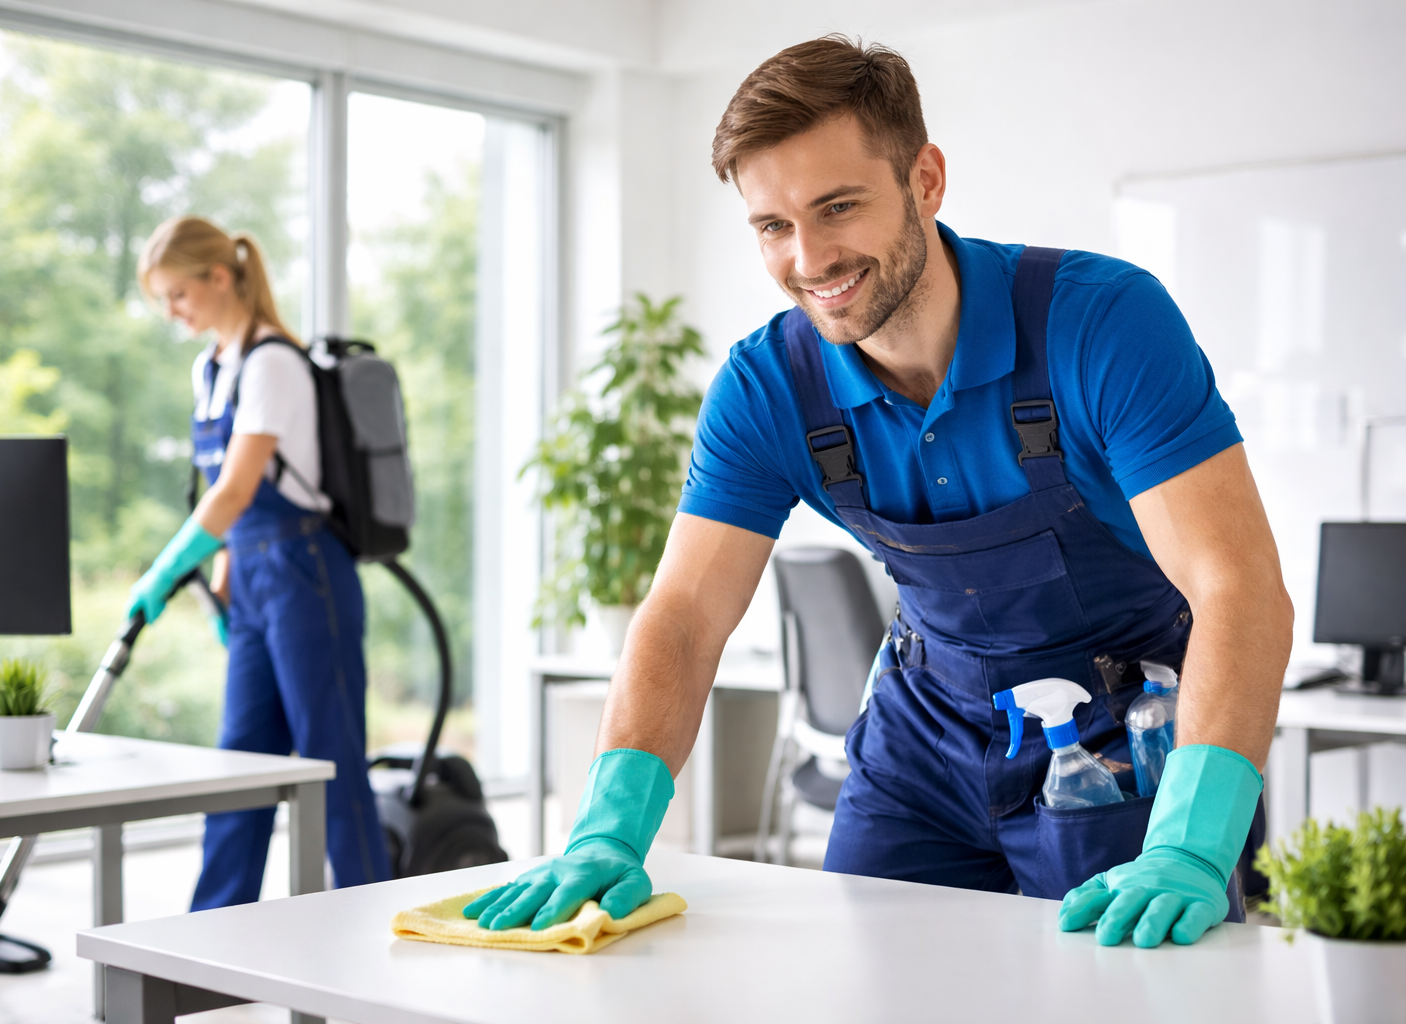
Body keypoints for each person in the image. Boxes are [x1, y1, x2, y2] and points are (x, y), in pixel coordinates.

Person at [467, 36, 1292, 948]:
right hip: (924, 740)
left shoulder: (1098, 323)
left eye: (838, 207)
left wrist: (1190, 846)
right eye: (773, 226)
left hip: (1127, 741)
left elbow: (1237, 585)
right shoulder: (768, 389)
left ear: (926, 180)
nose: (809, 258)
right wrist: (608, 827)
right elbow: (687, 614)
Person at [129, 216, 391, 908]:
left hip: (309, 576)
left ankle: (375, 925)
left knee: (330, 762)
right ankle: (210, 935)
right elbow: (230, 502)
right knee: (240, 764)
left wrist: (166, 567)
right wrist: (222, 583)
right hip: (251, 577)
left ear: (220, 277)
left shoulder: (273, 361)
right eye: (163, 299)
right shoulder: (209, 367)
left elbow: (239, 486)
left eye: (178, 294)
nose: (172, 311)